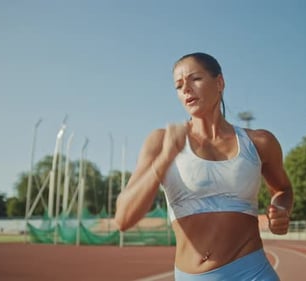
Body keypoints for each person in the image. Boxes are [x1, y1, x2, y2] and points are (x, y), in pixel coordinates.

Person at [114, 52, 293, 280]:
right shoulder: (161, 141)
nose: (186, 88)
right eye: (179, 86)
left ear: (219, 82)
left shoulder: (259, 142)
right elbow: (123, 219)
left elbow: (283, 190)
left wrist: (282, 210)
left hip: (253, 272)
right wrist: (166, 157)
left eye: (195, 79)